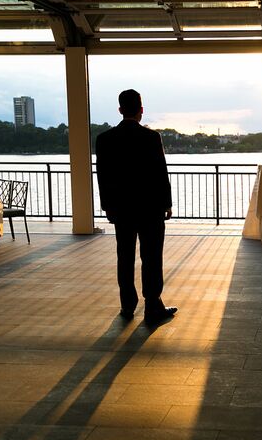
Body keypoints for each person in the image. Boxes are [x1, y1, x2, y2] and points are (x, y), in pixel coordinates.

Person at [96, 89, 177, 323]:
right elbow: (161, 174)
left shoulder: (104, 139)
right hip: (150, 208)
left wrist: (107, 206)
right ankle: (153, 305)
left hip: (121, 209)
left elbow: (103, 176)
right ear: (141, 110)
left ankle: (127, 306)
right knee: (151, 257)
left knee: (125, 256)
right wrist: (167, 204)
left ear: (120, 110)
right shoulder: (152, 138)